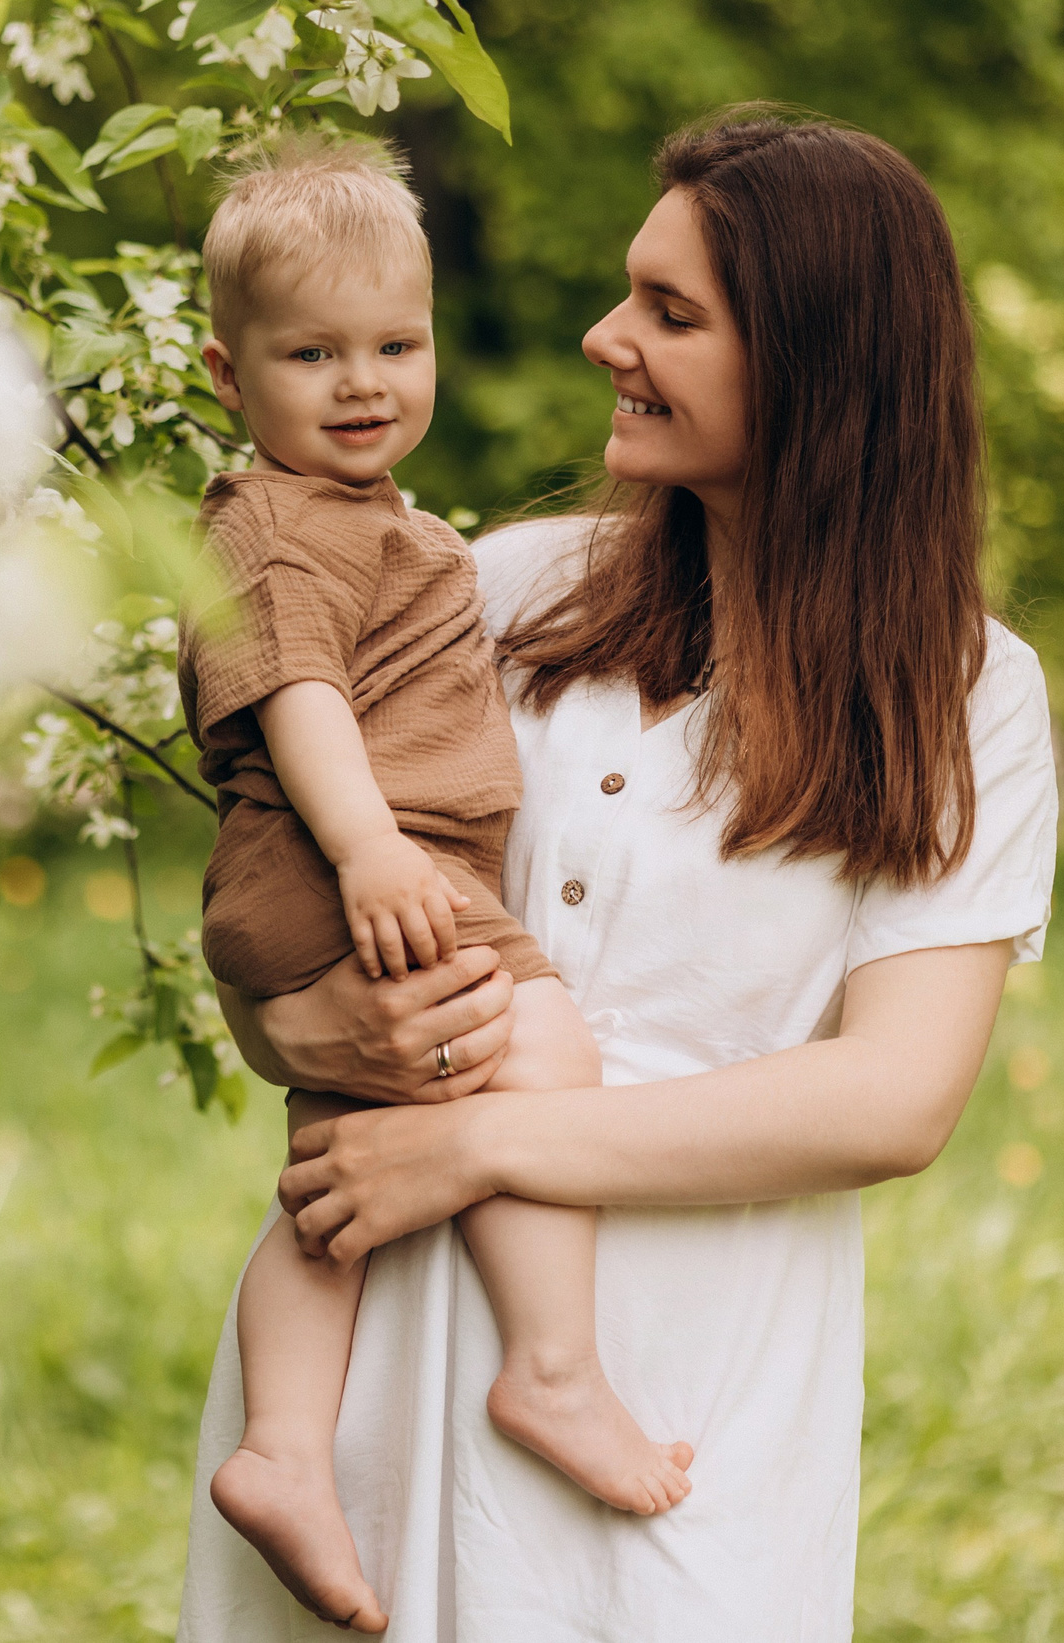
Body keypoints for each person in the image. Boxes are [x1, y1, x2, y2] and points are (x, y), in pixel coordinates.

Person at [176, 107, 1059, 1640]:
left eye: (669, 311)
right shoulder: (494, 590)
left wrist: (479, 1154)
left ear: (813, 362)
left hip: (680, 1383)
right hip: (380, 1326)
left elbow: (892, 1102)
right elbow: (296, 904)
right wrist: (295, 1038)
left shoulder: (965, 692)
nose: (603, 337)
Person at [180, 136, 692, 1638]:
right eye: (312, 353)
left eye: (395, 346)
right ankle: (550, 1368)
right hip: (361, 863)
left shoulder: (392, 529)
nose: (361, 384)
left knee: (343, 1171)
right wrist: (371, 850)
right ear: (227, 373)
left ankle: (281, 1448)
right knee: (542, 1047)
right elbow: (300, 704)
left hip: (346, 875)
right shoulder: (272, 532)